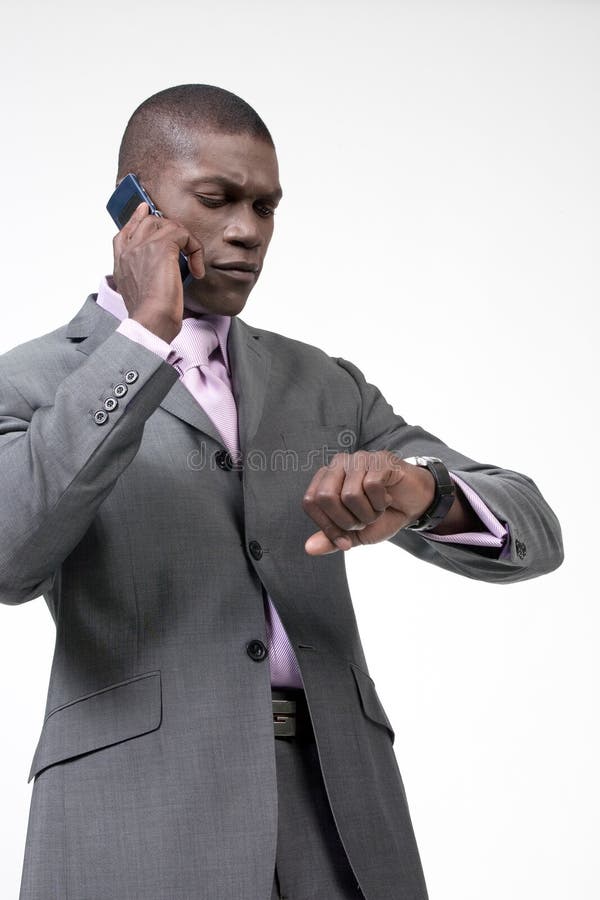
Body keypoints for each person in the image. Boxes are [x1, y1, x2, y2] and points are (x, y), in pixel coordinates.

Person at [0, 84, 563, 900]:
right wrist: (142, 338)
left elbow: (534, 527)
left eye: (265, 207)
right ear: (136, 212)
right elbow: (10, 553)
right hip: (138, 819)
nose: (247, 231)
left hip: (340, 818)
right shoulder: (34, 382)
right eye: (218, 199)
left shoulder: (322, 385)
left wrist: (427, 495)